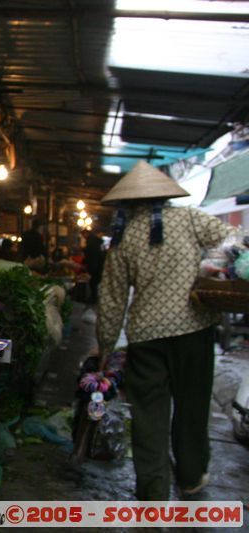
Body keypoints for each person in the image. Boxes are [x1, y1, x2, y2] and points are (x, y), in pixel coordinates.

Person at [96, 161, 235, 501]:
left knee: (148, 418)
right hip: (194, 331)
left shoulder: (123, 237)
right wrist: (212, 266)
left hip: (146, 338)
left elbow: (112, 299)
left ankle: (153, 492)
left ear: (126, 203)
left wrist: (105, 348)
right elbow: (233, 241)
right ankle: (190, 477)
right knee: (192, 408)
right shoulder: (189, 218)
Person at [82, 228, 105, 319]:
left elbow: (89, 254)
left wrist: (85, 261)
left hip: (95, 265)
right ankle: (94, 296)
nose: (83, 237)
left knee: (93, 282)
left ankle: (94, 297)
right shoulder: (96, 242)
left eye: (83, 234)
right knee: (95, 281)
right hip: (98, 265)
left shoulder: (91, 242)